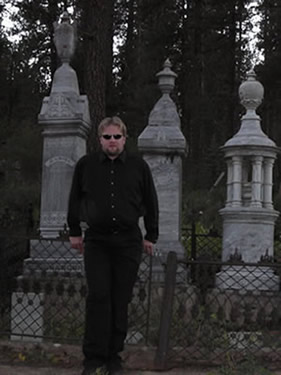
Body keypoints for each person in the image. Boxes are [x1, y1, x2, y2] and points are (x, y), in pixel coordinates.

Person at [67, 116, 159, 375]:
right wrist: (74, 231)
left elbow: (151, 201)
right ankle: (93, 359)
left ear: (124, 138)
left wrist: (151, 234)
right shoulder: (86, 166)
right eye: (107, 137)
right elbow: (75, 198)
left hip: (128, 242)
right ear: (100, 139)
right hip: (97, 241)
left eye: (116, 137)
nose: (112, 142)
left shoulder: (138, 167)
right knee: (98, 297)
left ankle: (113, 357)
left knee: (120, 298)